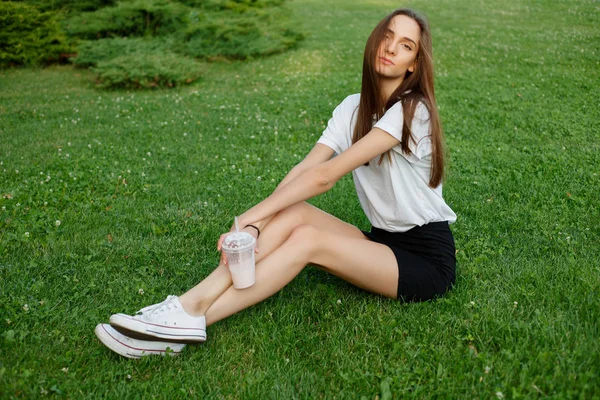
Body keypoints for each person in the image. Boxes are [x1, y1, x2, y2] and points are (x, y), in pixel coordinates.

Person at [95, 8, 457, 359]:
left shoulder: (414, 110)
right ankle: (186, 308)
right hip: (383, 241)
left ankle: (192, 319)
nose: (391, 47)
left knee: (308, 240)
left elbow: (325, 175)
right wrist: (258, 224)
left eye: (406, 45)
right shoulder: (353, 107)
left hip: (425, 261)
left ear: (413, 64)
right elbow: (306, 168)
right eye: (388, 36)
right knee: (293, 211)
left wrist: (247, 217)